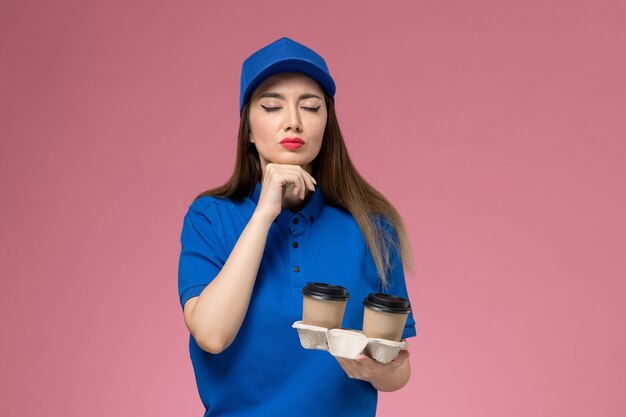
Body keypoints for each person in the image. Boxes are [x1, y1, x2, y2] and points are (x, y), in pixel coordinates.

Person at [178, 36, 417, 417]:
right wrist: (264, 215)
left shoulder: (372, 226)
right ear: (249, 130)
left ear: (327, 124)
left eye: (310, 107)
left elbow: (398, 366)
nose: (294, 120)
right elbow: (211, 335)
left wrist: (379, 370)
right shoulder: (210, 217)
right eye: (272, 106)